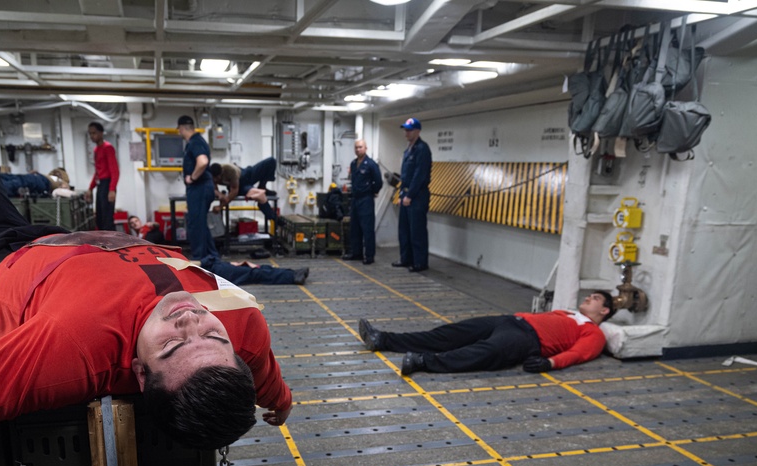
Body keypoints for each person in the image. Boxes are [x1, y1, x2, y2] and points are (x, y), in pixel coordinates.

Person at [0, 120, 292, 466]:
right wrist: (281, 401)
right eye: (213, 337)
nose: (189, 319)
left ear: (140, 374)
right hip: (71, 244)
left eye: (171, 345)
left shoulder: (71, 348)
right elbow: (266, 376)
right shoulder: (241, 328)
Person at [359, 291, 615, 375]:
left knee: (485, 353)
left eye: (595, 299)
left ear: (604, 311)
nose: (589, 298)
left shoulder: (594, 333)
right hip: (510, 321)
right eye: (590, 295)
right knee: (448, 333)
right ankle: (383, 339)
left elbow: (578, 354)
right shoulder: (568, 313)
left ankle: (422, 361)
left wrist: (550, 362)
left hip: (527, 339)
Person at [178, 115, 220, 261]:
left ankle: (199, 259)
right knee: (200, 223)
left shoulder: (195, 141)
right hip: (201, 187)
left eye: (179, 130)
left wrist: (192, 178)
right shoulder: (198, 141)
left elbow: (202, 162)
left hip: (199, 187)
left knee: (196, 224)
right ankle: (211, 257)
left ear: (182, 128)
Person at [393, 117, 432, 273]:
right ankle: (406, 258)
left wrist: (410, 195)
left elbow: (419, 175)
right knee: (404, 230)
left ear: (417, 131)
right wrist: (402, 194)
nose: (406, 133)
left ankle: (420, 262)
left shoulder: (422, 149)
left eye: (409, 130)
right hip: (406, 194)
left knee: (417, 231)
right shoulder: (408, 150)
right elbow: (405, 175)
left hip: (417, 196)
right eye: (405, 130)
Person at [341, 139, 383, 264]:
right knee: (355, 228)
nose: (358, 149)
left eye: (360, 147)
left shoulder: (371, 164)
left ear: (366, 148)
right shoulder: (354, 164)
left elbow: (379, 182)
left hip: (366, 199)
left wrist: (373, 192)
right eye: (356, 147)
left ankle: (369, 256)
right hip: (355, 199)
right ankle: (356, 253)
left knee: (367, 228)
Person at [210, 157, 279, 222]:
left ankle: (262, 186)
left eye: (217, 178)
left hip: (245, 175)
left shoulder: (230, 171)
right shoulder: (210, 174)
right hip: (242, 187)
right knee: (260, 195)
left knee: (271, 161)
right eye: (214, 179)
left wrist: (220, 206)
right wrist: (219, 194)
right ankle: (273, 217)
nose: (216, 180)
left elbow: (234, 191)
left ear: (221, 173)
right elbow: (214, 187)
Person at [86, 122, 120, 231]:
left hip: (107, 184)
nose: (92, 136)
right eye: (90, 133)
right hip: (100, 185)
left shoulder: (108, 148)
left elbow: (115, 171)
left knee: (107, 218)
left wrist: (112, 190)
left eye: (94, 133)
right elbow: (97, 172)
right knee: (99, 218)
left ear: (101, 133)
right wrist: (90, 188)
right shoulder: (96, 150)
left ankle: (112, 244)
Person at [199, 255, 308, 286]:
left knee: (257, 269)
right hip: (212, 272)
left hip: (211, 267)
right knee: (254, 273)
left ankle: (292, 273)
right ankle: (292, 276)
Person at [1, 168, 70, 198]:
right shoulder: (51, 176)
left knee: (16, 183)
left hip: (43, 183)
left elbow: (66, 189)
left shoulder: (63, 181)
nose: (58, 174)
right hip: (39, 179)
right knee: (14, 178)